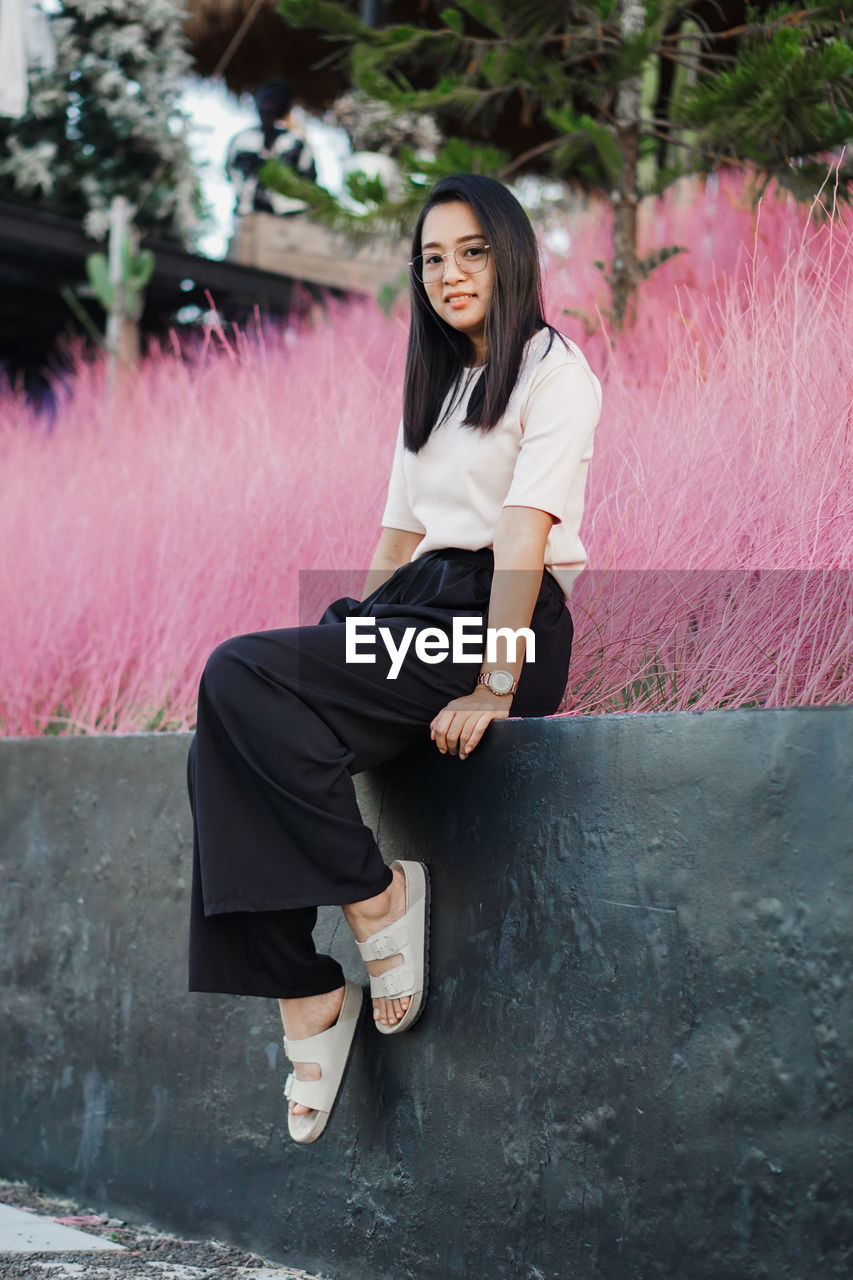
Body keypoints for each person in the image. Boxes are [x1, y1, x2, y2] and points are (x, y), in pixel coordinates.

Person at [187, 173, 602, 1145]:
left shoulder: (555, 373)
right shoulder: (433, 383)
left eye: (471, 251)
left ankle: (377, 893)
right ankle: (303, 991)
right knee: (232, 714)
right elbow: (396, 533)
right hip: (417, 610)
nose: (450, 273)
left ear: (512, 257)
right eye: (431, 257)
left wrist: (494, 680)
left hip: (503, 622)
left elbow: (522, 538)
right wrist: (347, 638)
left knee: (235, 668)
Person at [225, 78, 317, 217]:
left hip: (287, 219)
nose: (268, 108)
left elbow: (309, 181)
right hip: (248, 215)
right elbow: (229, 171)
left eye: (274, 103)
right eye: (265, 102)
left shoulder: (296, 143)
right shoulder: (242, 141)